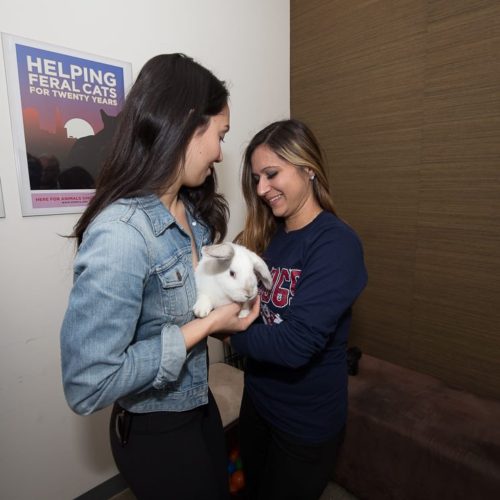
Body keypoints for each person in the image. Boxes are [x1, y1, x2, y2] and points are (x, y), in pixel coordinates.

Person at [60, 53, 259, 500]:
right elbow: (87, 385)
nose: (220, 153)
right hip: (154, 430)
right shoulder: (121, 234)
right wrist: (207, 326)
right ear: (188, 124)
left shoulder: (195, 216)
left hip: (197, 403)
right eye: (220, 135)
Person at [232, 119, 368, 500]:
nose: (261, 189)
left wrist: (227, 330)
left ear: (308, 167)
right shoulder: (268, 236)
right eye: (257, 178)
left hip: (306, 422)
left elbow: (294, 346)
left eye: (271, 174)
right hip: (258, 401)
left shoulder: (337, 244)